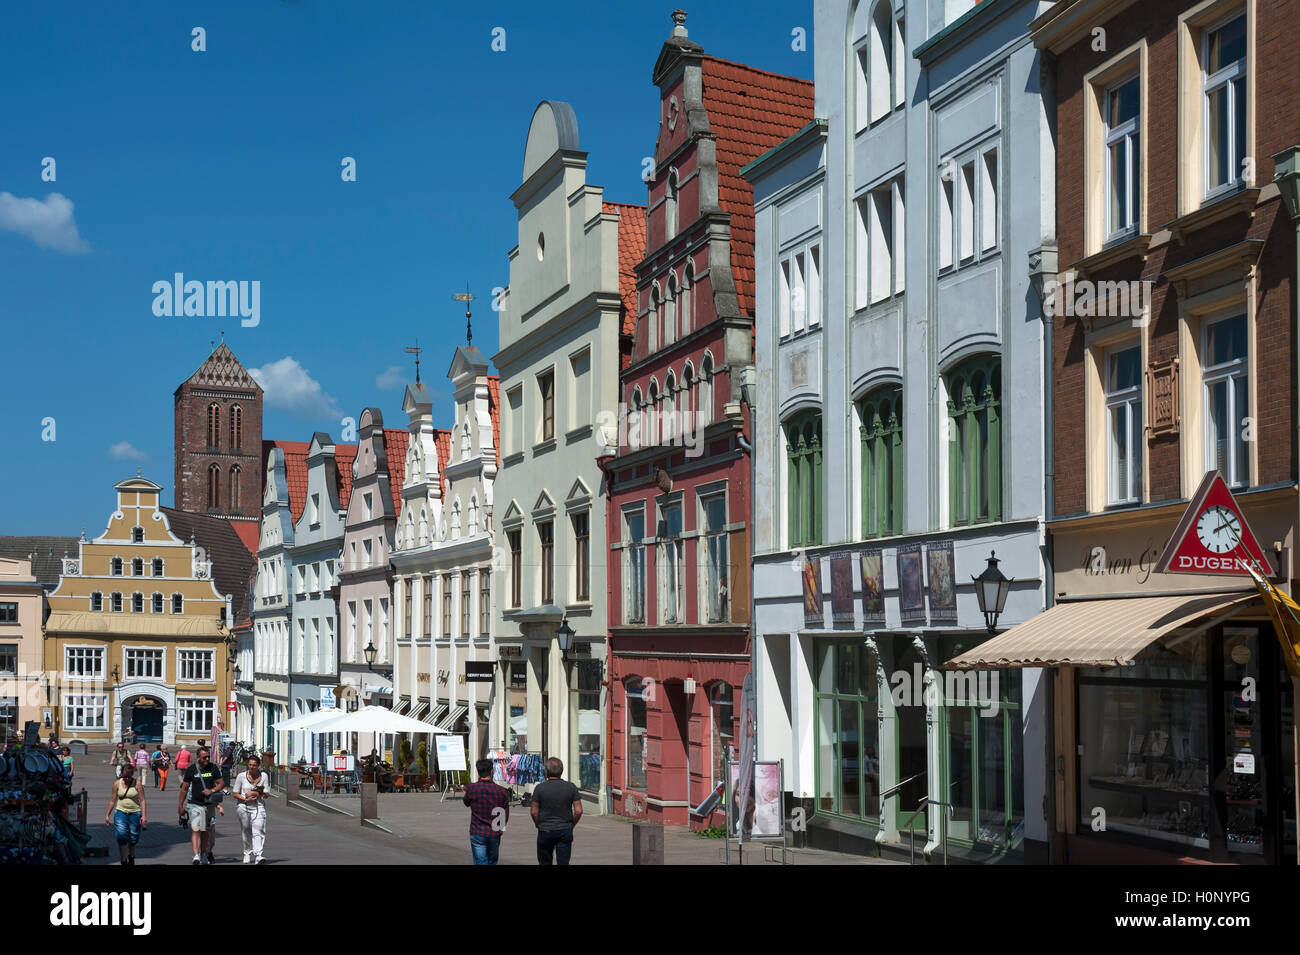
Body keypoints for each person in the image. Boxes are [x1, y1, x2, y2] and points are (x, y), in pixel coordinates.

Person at [529, 757, 582, 866]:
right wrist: (572, 824)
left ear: (546, 772)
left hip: (545, 829)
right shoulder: (571, 787)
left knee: (545, 862)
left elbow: (534, 811)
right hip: (565, 829)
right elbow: (578, 811)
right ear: (561, 771)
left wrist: (538, 823)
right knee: (563, 862)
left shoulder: (540, 788)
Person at [177, 746, 225, 865]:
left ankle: (203, 853)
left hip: (208, 804)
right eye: (204, 757)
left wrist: (212, 791)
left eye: (208, 756)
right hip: (195, 804)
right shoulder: (191, 770)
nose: (207, 759)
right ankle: (196, 855)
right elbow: (184, 788)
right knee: (196, 829)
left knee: (205, 831)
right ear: (198, 758)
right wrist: (180, 805)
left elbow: (221, 783)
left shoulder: (212, 768)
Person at [463, 757, 510, 865]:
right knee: (492, 861)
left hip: (477, 830)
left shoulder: (472, 788)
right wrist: (500, 830)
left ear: (478, 772)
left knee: (480, 862)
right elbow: (504, 814)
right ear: (491, 771)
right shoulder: (501, 791)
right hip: (494, 831)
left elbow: (466, 802)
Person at [231, 755, 272, 864]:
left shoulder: (264, 776)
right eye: (250, 765)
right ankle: (247, 853)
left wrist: (257, 793)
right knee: (246, 830)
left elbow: (267, 794)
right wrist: (245, 798)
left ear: (258, 765)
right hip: (243, 806)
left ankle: (258, 855)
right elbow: (235, 793)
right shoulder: (241, 776)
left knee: (258, 830)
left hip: (258, 806)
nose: (252, 767)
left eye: (254, 765)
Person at [105, 764, 147, 865]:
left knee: (133, 837)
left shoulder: (137, 784)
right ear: (122, 774)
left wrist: (144, 816)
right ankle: (123, 860)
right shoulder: (117, 784)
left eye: (129, 776)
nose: (127, 778)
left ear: (132, 774)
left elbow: (142, 800)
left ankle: (131, 857)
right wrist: (107, 815)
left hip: (135, 813)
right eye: (125, 776)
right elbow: (112, 800)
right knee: (121, 835)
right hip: (120, 813)